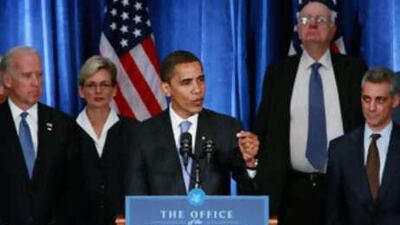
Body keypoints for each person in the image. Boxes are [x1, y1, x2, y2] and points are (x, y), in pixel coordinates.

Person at [253, 1, 368, 225]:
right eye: (305, 20)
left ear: (333, 30)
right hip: (292, 191)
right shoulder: (278, 72)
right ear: (297, 28)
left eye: (321, 20)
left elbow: (367, 125)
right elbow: (264, 130)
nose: (312, 25)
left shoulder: (354, 71)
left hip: (343, 187)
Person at [125, 50, 259, 196]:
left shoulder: (226, 128)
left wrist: (250, 163)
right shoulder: (143, 134)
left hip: (214, 218)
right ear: (166, 89)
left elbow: (250, 194)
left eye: (201, 80)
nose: (197, 90)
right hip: (162, 218)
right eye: (186, 82)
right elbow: (135, 195)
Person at [0, 46, 76, 224]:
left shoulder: (64, 125)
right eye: (27, 76)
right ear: (7, 80)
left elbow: (74, 189)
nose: (36, 82)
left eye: (39, 75)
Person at [325, 67, 400, 225]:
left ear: (395, 100)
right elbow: (333, 213)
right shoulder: (339, 149)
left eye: (380, 100)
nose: (371, 108)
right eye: (367, 99)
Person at [75, 55, 136, 225]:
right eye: (91, 85)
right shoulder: (66, 132)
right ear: (81, 90)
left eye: (104, 85)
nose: (98, 91)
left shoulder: (134, 131)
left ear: (115, 90)